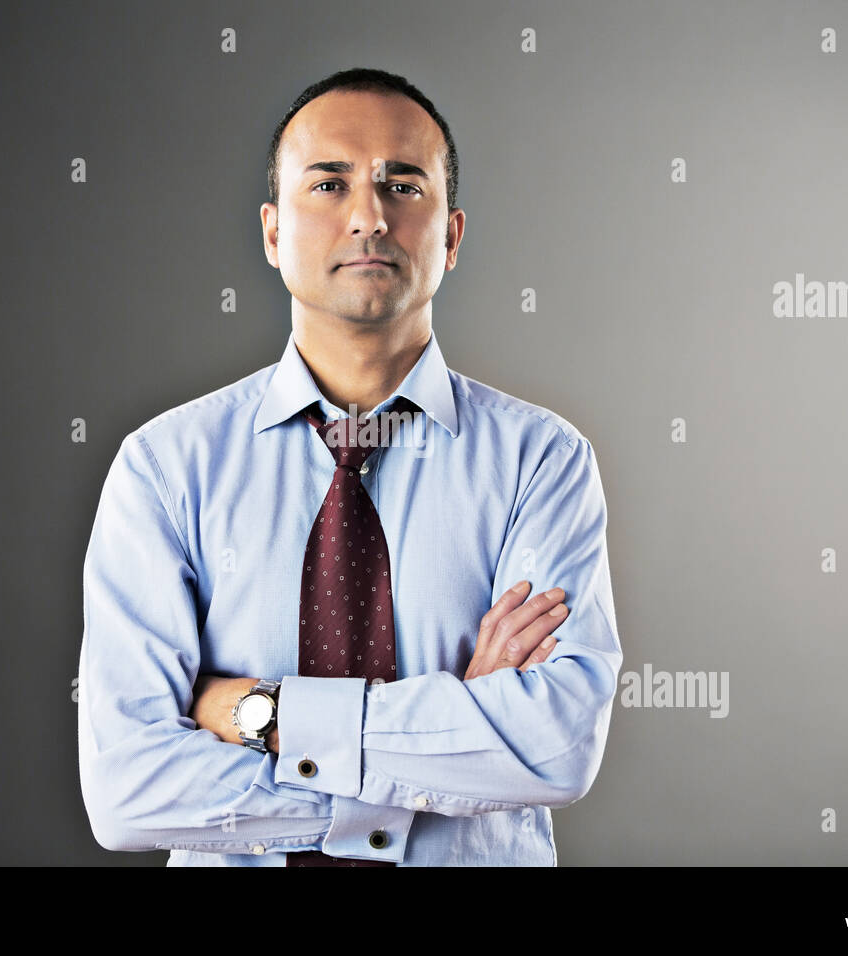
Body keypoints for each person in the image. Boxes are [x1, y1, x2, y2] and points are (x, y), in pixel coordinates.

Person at [77, 67, 622, 866]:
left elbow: (554, 747)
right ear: (272, 233)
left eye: (403, 186)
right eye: (329, 184)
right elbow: (130, 791)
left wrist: (262, 715)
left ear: (452, 236)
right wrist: (451, 734)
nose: (369, 216)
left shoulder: (542, 462)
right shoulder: (164, 469)